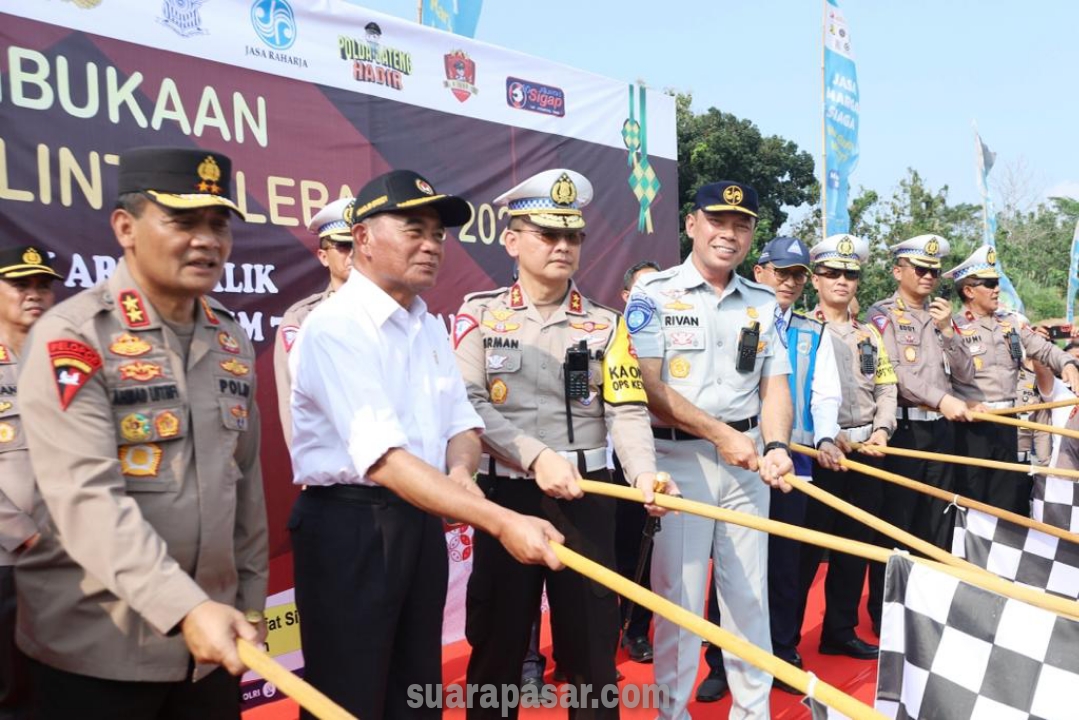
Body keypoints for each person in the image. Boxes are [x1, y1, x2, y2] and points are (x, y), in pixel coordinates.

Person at [288, 169, 564, 720]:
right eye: (413, 228)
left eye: (438, 233)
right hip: (351, 528)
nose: (431, 244)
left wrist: (461, 474)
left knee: (417, 690)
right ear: (362, 238)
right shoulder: (336, 326)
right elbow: (385, 460)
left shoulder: (428, 325)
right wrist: (499, 519)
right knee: (348, 695)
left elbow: (462, 424)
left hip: (420, 521)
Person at [15, 147, 269, 719]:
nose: (207, 241)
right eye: (183, 221)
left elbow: (245, 485)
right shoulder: (74, 337)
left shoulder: (231, 338)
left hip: (209, 646)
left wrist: (249, 606)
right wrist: (185, 609)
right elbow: (86, 498)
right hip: (100, 648)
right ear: (125, 228)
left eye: (219, 224)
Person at [454, 168, 668, 720]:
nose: (563, 246)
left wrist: (642, 472)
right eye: (547, 234)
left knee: (593, 655)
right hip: (504, 498)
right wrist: (533, 454)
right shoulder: (478, 314)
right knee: (497, 652)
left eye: (572, 236)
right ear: (512, 240)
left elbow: (625, 408)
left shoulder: (605, 325)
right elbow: (468, 403)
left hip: (588, 497)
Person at [629, 180, 794, 720]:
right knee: (679, 598)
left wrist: (776, 446)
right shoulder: (652, 295)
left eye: (742, 225)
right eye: (718, 222)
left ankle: (753, 712)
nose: (730, 234)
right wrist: (721, 436)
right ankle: (671, 713)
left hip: (748, 466)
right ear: (692, 224)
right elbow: (651, 388)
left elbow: (774, 386)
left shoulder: (763, 302)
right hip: (680, 461)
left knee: (749, 598)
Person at [798, 234, 895, 655]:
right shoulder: (801, 329)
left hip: (867, 452)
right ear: (815, 279)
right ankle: (782, 639)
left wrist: (883, 430)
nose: (842, 280)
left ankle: (839, 632)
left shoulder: (869, 334)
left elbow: (887, 386)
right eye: (832, 273)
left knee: (855, 548)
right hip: (820, 455)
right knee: (803, 553)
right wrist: (824, 434)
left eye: (850, 274)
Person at [945, 245, 1079, 515]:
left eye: (997, 283)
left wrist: (1067, 363)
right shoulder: (952, 328)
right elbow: (940, 378)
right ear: (969, 291)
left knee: (1004, 502)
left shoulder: (1011, 324)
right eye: (990, 284)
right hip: (970, 427)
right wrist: (964, 401)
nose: (997, 289)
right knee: (971, 501)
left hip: (1008, 422)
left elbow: (1043, 349)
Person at [865, 234, 975, 551]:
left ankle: (929, 596)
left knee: (938, 518)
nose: (928, 277)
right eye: (919, 269)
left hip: (941, 429)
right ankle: (886, 600)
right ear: (898, 271)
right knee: (899, 518)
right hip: (904, 429)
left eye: (934, 272)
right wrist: (942, 399)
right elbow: (895, 372)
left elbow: (967, 373)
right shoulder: (881, 314)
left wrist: (947, 331)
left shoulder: (942, 314)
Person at [0, 245, 61, 719]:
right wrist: (23, 535)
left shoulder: (66, 362)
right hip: (8, 562)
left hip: (67, 556)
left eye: (42, 285)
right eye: (21, 285)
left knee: (60, 686)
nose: (34, 295)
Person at [273, 197, 354, 447]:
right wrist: (307, 465)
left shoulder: (403, 314)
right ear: (323, 256)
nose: (352, 254)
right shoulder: (302, 319)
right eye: (342, 246)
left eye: (359, 245)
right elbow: (293, 401)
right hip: (337, 463)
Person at [615, 259, 661, 664]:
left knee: (640, 551)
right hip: (605, 458)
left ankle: (636, 630)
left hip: (652, 456)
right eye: (644, 292)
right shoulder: (603, 330)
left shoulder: (674, 337)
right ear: (627, 297)